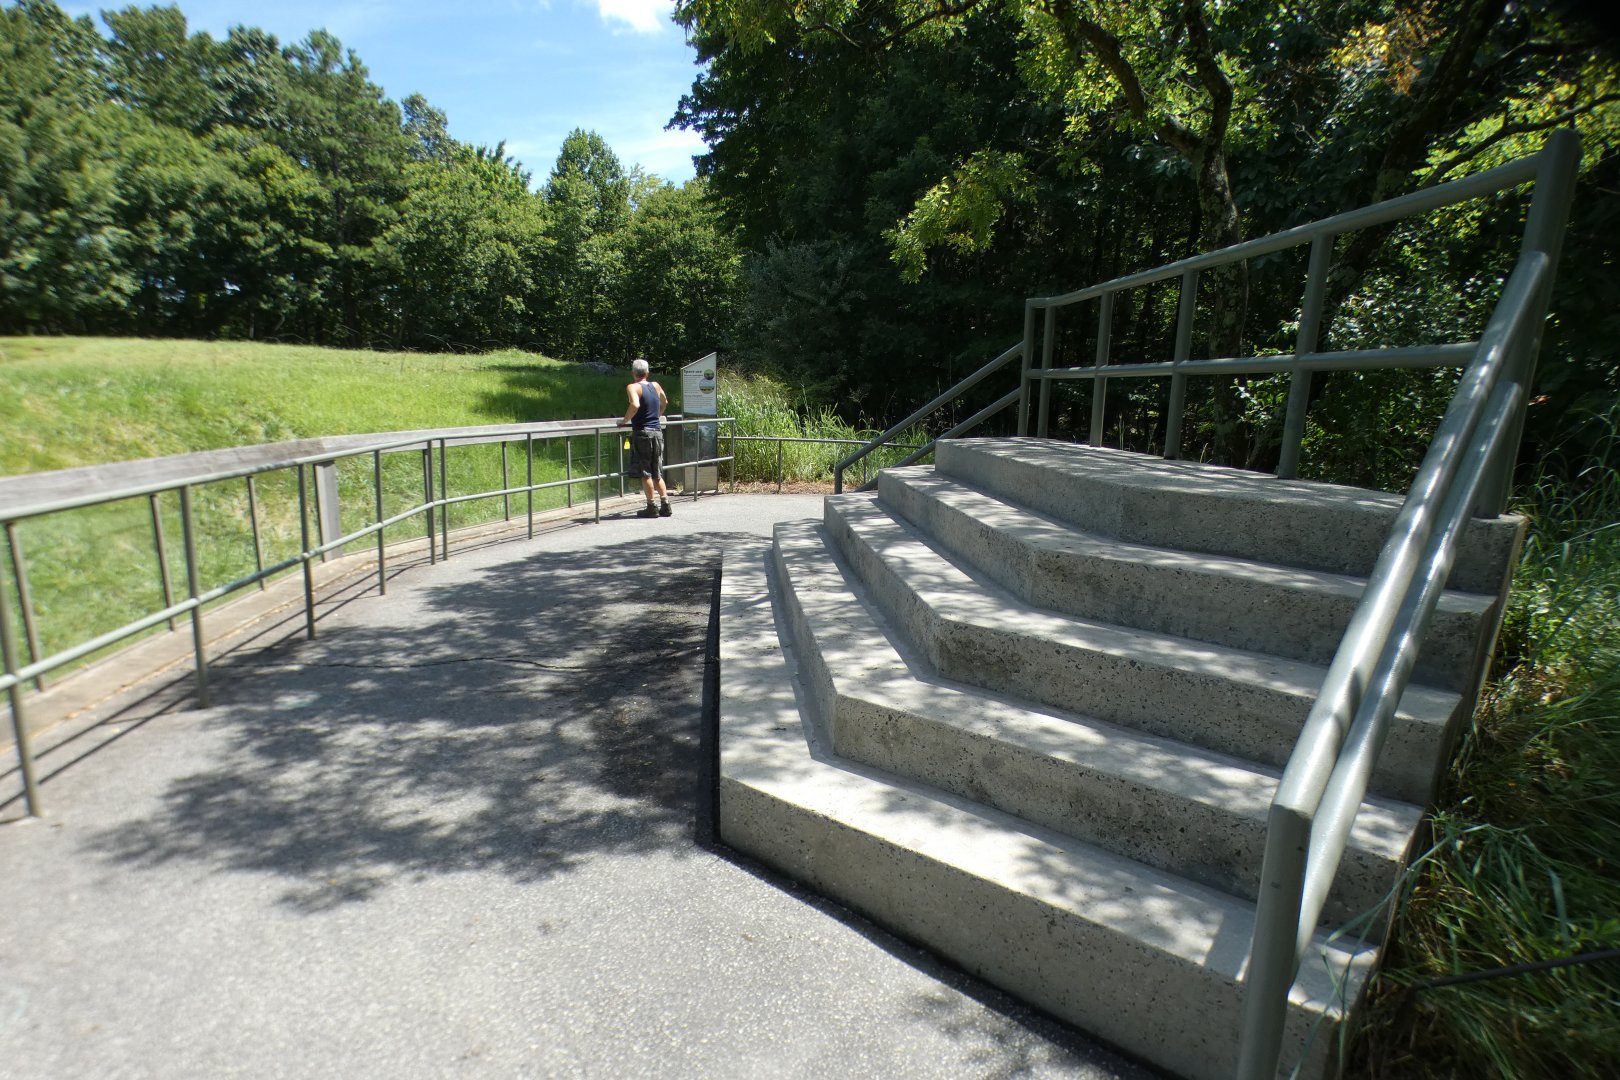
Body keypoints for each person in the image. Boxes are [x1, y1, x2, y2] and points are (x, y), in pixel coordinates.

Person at [617, 358, 672, 518]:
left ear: (633, 373)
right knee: (657, 471)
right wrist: (658, 414)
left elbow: (635, 405)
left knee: (646, 472)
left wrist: (624, 422)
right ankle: (666, 504)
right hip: (657, 431)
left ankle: (651, 507)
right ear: (647, 372)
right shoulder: (655, 386)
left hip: (642, 433)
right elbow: (665, 401)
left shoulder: (633, 387)